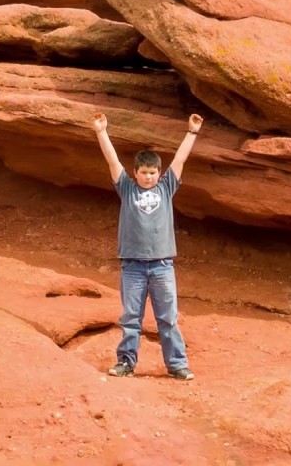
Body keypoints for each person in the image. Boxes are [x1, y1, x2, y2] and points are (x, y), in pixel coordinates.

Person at [91, 112, 202, 381]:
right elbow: (112, 161)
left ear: (159, 173)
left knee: (168, 318)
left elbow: (180, 159)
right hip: (133, 266)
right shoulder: (127, 189)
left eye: (153, 173)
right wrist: (101, 132)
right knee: (131, 318)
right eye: (144, 173)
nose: (149, 177)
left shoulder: (166, 188)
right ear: (135, 173)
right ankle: (126, 363)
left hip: (162, 265)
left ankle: (177, 365)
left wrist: (192, 133)